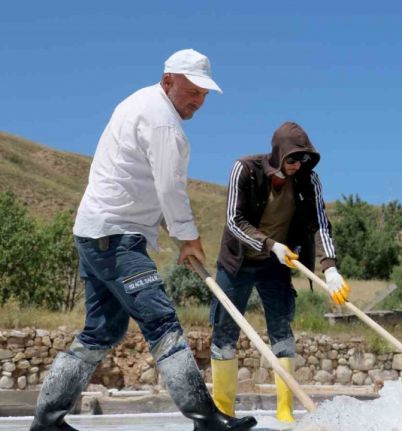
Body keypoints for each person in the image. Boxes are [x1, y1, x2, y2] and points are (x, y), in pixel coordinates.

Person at [30, 49, 256, 431]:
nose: (199, 101)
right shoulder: (162, 120)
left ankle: (47, 420)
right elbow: (169, 187)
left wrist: (175, 232)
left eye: (205, 94)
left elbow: (146, 184)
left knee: (101, 331)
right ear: (169, 79)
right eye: (193, 90)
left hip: (95, 235)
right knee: (162, 322)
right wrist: (189, 237)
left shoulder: (139, 102)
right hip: (117, 239)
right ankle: (206, 419)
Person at [210, 121, 351, 423]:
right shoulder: (244, 169)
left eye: (303, 159)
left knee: (282, 334)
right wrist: (270, 244)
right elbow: (234, 222)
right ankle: (223, 412)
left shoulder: (307, 181)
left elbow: (321, 224)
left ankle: (285, 412)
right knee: (224, 334)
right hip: (237, 262)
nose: (297, 165)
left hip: (276, 264)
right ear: (277, 154)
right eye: (292, 158)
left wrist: (331, 270)